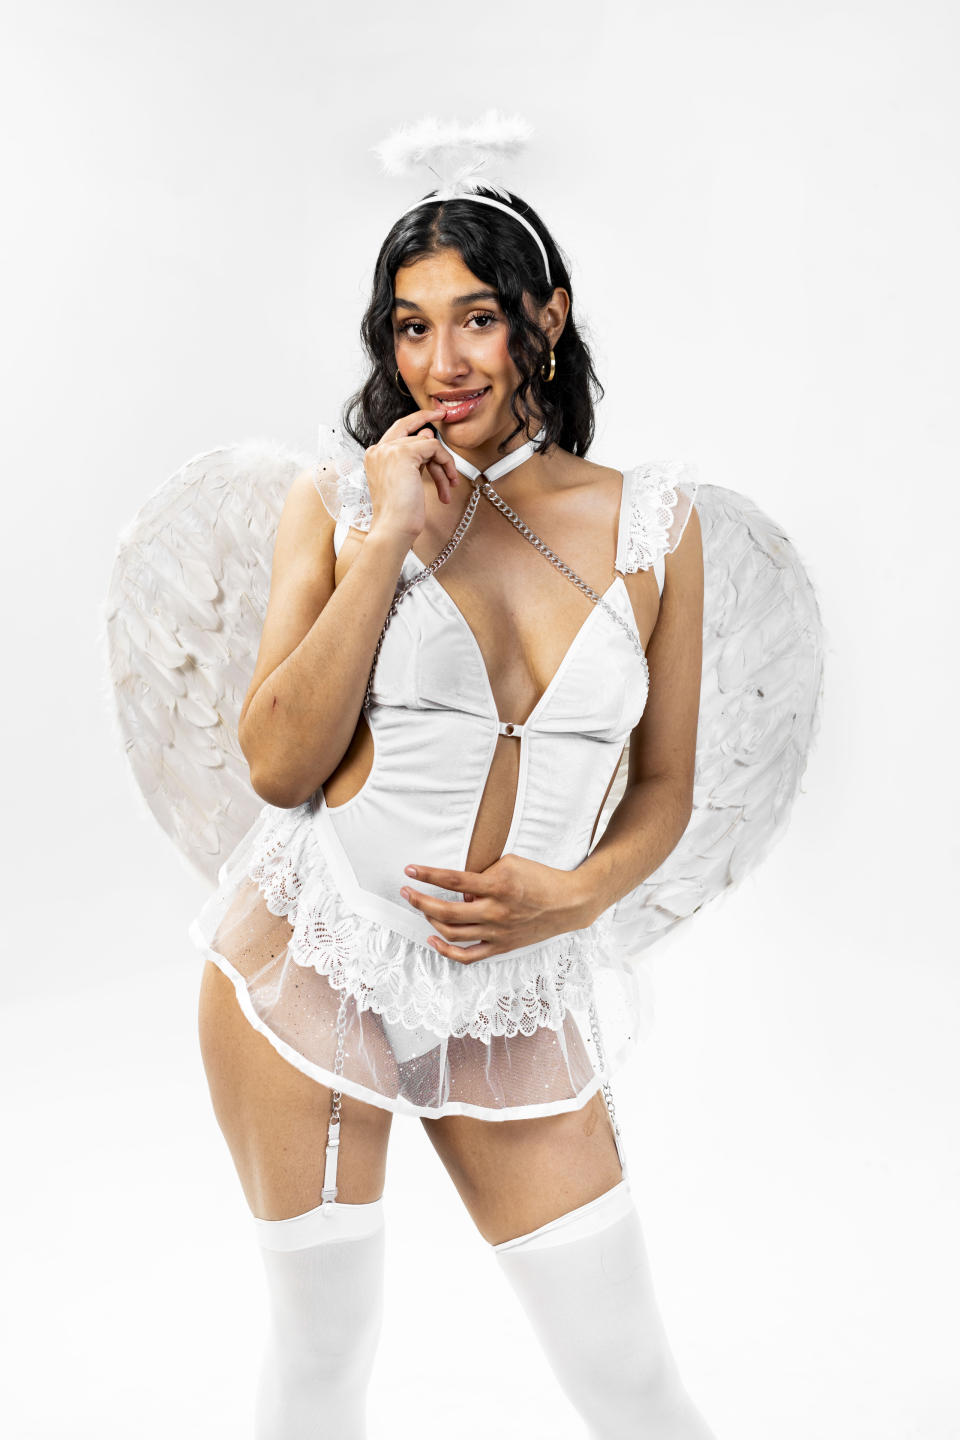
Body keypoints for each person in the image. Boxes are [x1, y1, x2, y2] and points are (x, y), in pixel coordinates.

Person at [190, 161, 717, 1439]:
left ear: (548, 315)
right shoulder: (337, 504)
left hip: (514, 994)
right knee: (326, 1357)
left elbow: (665, 787)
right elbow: (278, 765)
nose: (443, 362)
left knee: (631, 1378)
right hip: (322, 960)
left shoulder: (653, 525)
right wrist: (387, 541)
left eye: (477, 317)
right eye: (411, 326)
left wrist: (571, 900)